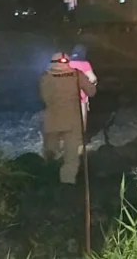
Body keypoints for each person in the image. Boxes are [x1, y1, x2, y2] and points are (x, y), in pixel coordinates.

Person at [39, 52, 97, 184]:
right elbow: (91, 92)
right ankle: (67, 184)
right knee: (71, 158)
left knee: (50, 153)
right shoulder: (77, 75)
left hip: (52, 120)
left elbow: (43, 97)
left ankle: (48, 181)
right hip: (72, 122)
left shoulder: (45, 77)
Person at [68, 44, 98, 129]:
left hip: (66, 95)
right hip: (81, 96)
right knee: (81, 119)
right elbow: (93, 78)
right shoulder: (85, 64)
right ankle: (81, 134)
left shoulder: (67, 63)